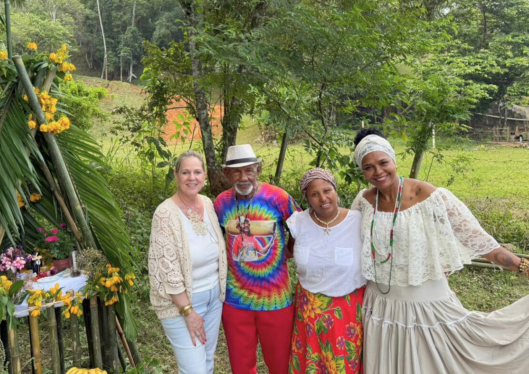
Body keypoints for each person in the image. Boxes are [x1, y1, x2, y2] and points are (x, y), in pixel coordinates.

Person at [351, 128, 529, 374]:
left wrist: (523, 267)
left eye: (383, 163)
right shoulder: (363, 201)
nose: (378, 172)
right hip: (380, 307)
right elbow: (349, 245)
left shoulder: (430, 196)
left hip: (426, 307)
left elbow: (478, 241)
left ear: (394, 160)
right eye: (368, 167)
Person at [214, 144, 301, 374]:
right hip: (236, 301)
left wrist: (289, 250)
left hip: (275, 300)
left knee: (280, 365)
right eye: (236, 172)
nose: (243, 178)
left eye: (249, 171)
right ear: (226, 174)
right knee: (241, 367)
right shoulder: (220, 203)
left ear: (258, 170)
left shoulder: (278, 197)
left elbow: (302, 227)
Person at [148, 150, 227, 374]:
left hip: (214, 298)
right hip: (183, 303)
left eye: (197, 172)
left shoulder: (208, 204)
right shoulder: (165, 214)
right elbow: (168, 270)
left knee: (207, 362)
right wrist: (188, 311)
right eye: (185, 172)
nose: (192, 177)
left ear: (204, 175)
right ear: (176, 175)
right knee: (194, 370)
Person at [287, 168, 366, 374]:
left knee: (343, 364)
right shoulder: (297, 222)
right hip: (309, 310)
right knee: (311, 364)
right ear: (306, 198)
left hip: (347, 311)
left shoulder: (358, 220)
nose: (323, 198)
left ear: (335, 190)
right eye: (314, 194)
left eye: (327, 190)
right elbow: (288, 252)